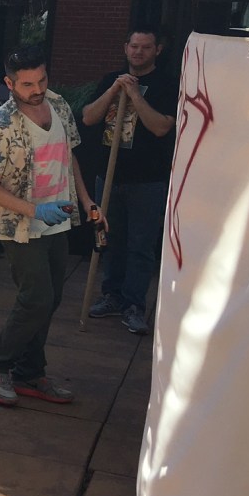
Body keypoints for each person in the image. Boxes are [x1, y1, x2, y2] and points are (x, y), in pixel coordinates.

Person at [0, 46, 103, 407]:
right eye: (27, 83)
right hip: (19, 223)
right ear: (9, 83)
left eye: (41, 80)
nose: (36, 89)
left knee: (51, 299)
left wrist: (87, 201)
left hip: (58, 217)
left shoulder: (59, 105)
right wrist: (34, 210)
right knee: (36, 298)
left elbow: (69, 157)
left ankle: (30, 372)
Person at [80, 28, 177, 335]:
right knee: (110, 240)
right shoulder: (111, 79)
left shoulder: (166, 83)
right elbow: (88, 117)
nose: (138, 52)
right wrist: (113, 91)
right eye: (134, 46)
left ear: (157, 50)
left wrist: (135, 95)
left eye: (145, 47)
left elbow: (162, 127)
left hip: (147, 180)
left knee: (141, 246)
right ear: (126, 47)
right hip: (108, 176)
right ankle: (111, 295)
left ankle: (134, 304)